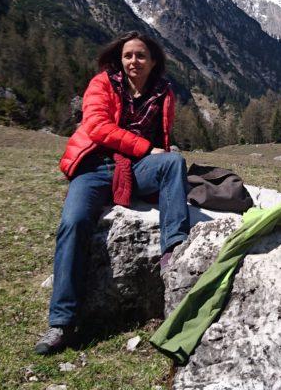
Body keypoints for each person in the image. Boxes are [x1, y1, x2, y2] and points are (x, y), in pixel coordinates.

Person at [35, 32, 191, 355]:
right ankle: (61, 323)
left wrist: (155, 154)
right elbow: (97, 126)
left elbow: (164, 137)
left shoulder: (164, 92)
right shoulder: (102, 83)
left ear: (154, 61)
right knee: (73, 223)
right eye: (128, 55)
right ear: (119, 59)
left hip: (135, 168)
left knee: (174, 162)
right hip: (96, 166)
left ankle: (172, 255)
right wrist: (146, 148)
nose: (134, 61)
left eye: (141, 56)